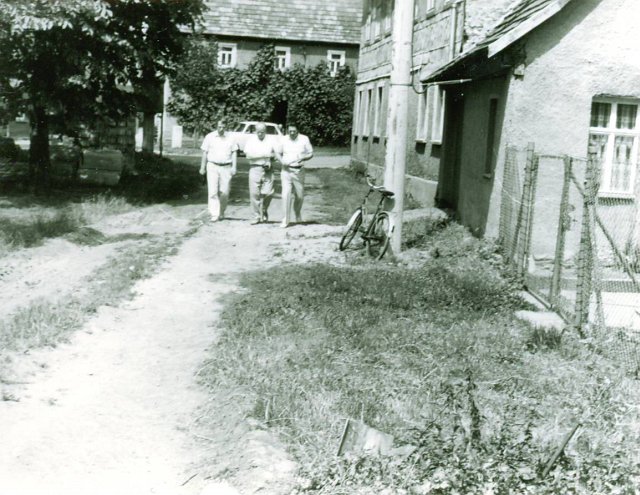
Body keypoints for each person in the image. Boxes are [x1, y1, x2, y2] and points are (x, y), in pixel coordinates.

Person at [199, 119, 238, 222]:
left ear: (226, 127)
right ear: (216, 126)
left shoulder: (231, 138)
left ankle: (221, 212)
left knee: (225, 192)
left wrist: (234, 167)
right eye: (219, 127)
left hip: (226, 167)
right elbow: (204, 153)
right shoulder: (209, 137)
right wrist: (202, 167)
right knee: (212, 191)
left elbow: (234, 152)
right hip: (212, 166)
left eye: (223, 127)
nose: (221, 129)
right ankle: (214, 214)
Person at [278, 123, 313, 228]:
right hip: (286, 171)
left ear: (298, 131)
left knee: (300, 196)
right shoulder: (283, 139)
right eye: (290, 131)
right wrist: (281, 161)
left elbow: (311, 153)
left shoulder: (304, 139)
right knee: (286, 195)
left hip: (299, 171)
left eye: (294, 131)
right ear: (287, 131)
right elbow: (277, 152)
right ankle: (285, 219)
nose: (292, 133)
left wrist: (303, 158)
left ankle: (297, 213)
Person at [243, 123, 278, 224]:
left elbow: (276, 154)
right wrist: (264, 155)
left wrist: (271, 158)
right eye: (258, 132)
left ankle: (264, 209)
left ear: (265, 131)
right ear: (255, 131)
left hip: (268, 169)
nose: (260, 134)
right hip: (255, 168)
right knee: (254, 194)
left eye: (262, 132)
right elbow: (249, 156)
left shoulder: (271, 140)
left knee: (269, 192)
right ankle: (256, 216)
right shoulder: (251, 141)